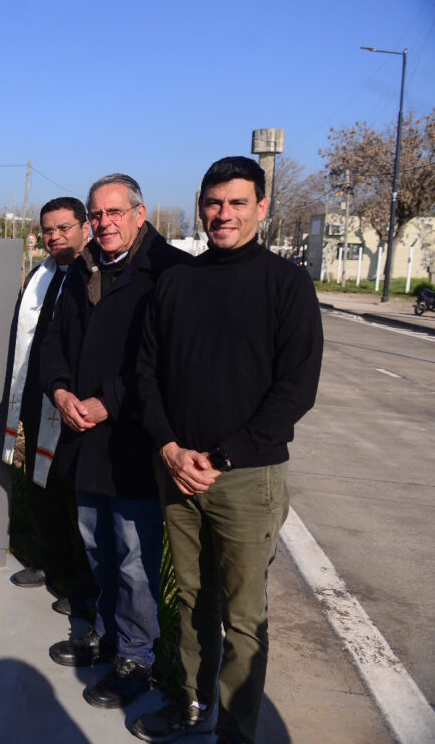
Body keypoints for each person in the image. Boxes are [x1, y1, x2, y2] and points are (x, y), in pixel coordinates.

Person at [129, 157, 322, 744]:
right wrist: (168, 447)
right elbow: (146, 374)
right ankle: (191, 704)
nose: (224, 214)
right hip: (178, 470)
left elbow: (296, 389)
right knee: (191, 599)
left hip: (245, 478)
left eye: (238, 202)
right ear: (200, 206)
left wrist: (222, 457)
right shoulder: (176, 281)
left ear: (262, 207)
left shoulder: (286, 285)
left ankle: (237, 729)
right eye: (214, 202)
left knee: (243, 617)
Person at [40, 173, 192, 709]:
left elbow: (166, 363)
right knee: (97, 545)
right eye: (97, 214)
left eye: (114, 213)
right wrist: (60, 393)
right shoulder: (82, 270)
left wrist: (107, 401)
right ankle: (106, 635)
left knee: (133, 556)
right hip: (82, 436)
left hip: (133, 441)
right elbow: (53, 341)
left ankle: (137, 657)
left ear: (139, 214)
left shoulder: (169, 271)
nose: (105, 223)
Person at [2, 197, 98, 617]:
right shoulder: (40, 276)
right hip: (37, 398)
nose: (55, 236)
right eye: (48, 230)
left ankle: (85, 581)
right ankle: (52, 560)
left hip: (77, 406)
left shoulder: (93, 277)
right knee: (40, 486)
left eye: (64, 228)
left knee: (75, 493)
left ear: (84, 228)